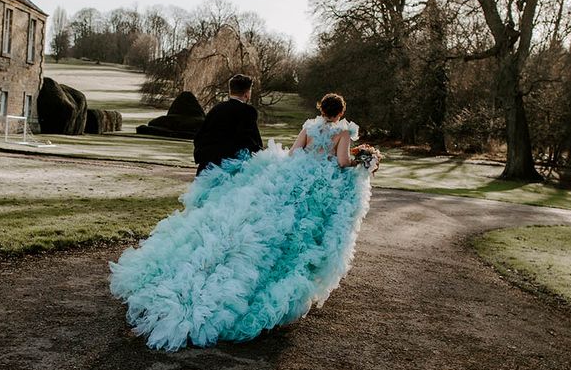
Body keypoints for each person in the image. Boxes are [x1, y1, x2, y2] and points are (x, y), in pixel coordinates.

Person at [109, 92, 379, 351]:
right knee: (302, 232)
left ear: (321, 109)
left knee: (267, 219)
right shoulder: (342, 133)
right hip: (320, 185)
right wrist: (363, 160)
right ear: (341, 112)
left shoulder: (309, 127)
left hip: (294, 176)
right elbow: (342, 161)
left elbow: (295, 152)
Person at [193, 74, 263, 175]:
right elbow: (251, 139)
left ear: (230, 91)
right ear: (247, 94)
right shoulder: (248, 111)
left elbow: (200, 137)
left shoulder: (216, 109)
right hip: (231, 168)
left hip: (209, 166)